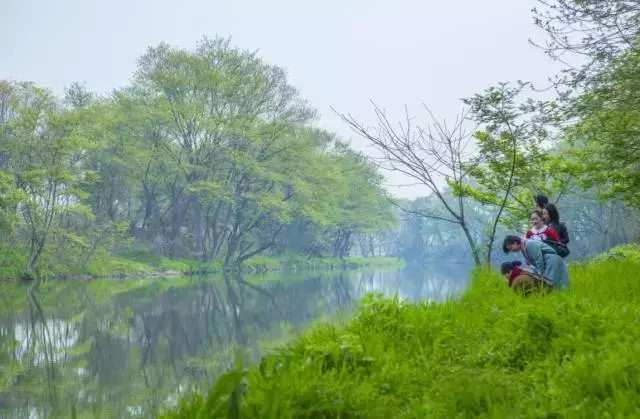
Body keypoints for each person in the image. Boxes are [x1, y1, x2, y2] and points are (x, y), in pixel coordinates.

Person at [503, 235, 570, 289]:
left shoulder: (529, 244)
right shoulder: (524, 248)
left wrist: (541, 276)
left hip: (551, 261)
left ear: (515, 243)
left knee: (553, 285)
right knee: (555, 285)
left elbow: (539, 260)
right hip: (548, 262)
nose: (512, 251)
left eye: (511, 248)